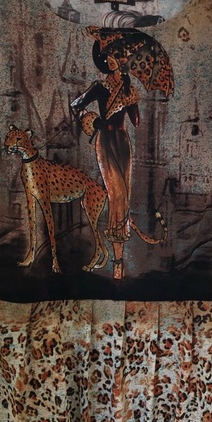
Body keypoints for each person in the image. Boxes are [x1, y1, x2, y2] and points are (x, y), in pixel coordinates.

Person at [70, 41, 140, 280]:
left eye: (116, 56)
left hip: (123, 142)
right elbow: (76, 105)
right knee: (116, 194)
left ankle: (119, 258)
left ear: (123, 61)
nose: (111, 60)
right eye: (108, 56)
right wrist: (92, 120)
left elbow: (136, 122)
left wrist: (132, 101)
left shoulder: (128, 88)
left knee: (124, 194)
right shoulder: (100, 87)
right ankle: (117, 261)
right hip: (106, 139)